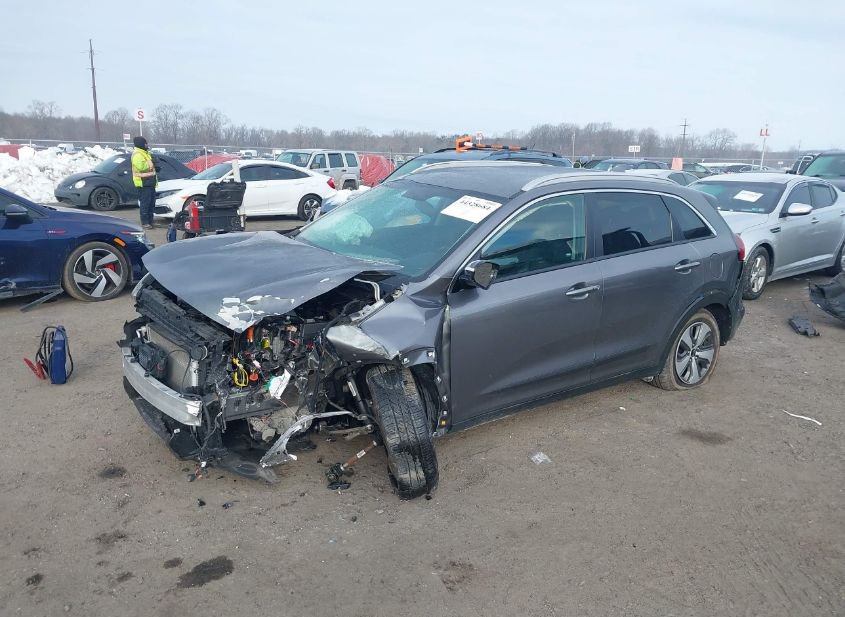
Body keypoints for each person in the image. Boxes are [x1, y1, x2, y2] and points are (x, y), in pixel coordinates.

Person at [131, 136, 158, 229]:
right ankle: (145, 222)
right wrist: (152, 163)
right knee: (145, 204)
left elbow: (150, 167)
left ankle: (150, 221)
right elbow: (141, 167)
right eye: (145, 143)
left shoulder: (145, 153)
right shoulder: (137, 154)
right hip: (143, 183)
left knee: (151, 204)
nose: (147, 145)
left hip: (150, 182)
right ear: (141, 144)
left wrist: (156, 167)